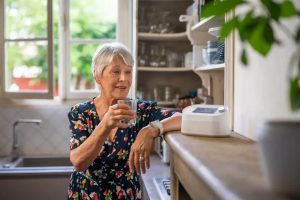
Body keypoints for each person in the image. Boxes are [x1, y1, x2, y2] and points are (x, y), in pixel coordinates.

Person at [67, 42, 181, 199]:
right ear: (97, 75)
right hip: (85, 194)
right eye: (116, 72)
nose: (124, 79)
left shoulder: (139, 109)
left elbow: (182, 118)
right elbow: (78, 162)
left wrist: (150, 130)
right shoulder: (81, 112)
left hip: (126, 195)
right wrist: (106, 124)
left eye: (128, 72)